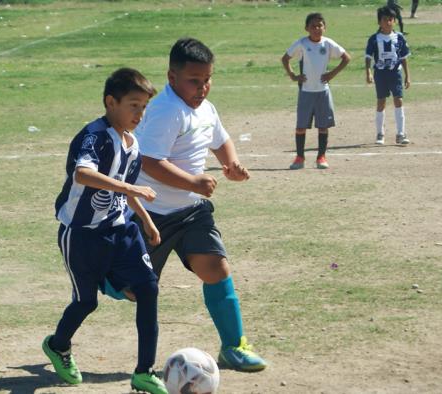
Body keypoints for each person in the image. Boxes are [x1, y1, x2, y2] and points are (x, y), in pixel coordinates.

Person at [132, 37, 267, 372]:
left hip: (192, 211)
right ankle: (102, 269)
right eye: (194, 80)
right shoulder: (166, 112)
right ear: (172, 77)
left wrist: (231, 165)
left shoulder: (205, 108)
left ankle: (234, 346)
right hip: (152, 215)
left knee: (216, 269)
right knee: (132, 291)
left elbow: (220, 139)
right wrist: (193, 181)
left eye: (207, 79)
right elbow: (149, 161)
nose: (202, 87)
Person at [43, 68, 167, 394]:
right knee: (86, 303)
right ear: (111, 102)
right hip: (82, 235)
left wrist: (146, 220)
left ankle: (144, 371)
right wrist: (132, 190)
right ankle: (58, 345)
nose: (139, 114)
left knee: (148, 289)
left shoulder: (133, 143)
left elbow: (127, 190)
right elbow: (83, 174)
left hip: (121, 229)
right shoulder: (94, 137)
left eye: (143, 107)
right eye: (133, 105)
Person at [281, 13, 350, 170]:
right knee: (300, 126)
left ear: (325, 28)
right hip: (306, 91)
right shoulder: (302, 44)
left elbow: (346, 58)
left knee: (323, 126)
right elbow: (285, 58)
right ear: (307, 28)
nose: (317, 28)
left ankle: (321, 157)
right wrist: (293, 76)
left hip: (322, 91)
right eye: (313, 26)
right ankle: (299, 157)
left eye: (320, 25)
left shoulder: (328, 43)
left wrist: (332, 73)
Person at [365, 6, 411, 145]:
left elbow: (403, 57)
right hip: (380, 74)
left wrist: (407, 75)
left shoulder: (399, 38)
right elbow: (368, 56)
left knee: (399, 100)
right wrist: (368, 72)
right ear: (379, 22)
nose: (388, 22)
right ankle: (380, 134)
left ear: (395, 21)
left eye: (391, 19)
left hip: (395, 73)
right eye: (385, 20)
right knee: (381, 102)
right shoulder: (374, 39)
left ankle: (401, 133)